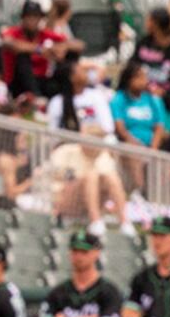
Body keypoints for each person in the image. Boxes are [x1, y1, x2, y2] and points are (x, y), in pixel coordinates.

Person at [45, 59, 128, 234]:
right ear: (71, 78)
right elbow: (52, 136)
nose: (85, 74)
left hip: (95, 154)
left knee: (110, 177)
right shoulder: (57, 104)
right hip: (68, 197)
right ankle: (96, 221)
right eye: (80, 71)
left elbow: (107, 128)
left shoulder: (95, 96)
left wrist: (93, 136)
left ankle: (125, 223)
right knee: (90, 176)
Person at [132, 6, 170, 112]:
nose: (146, 23)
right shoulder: (143, 43)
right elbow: (131, 68)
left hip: (165, 93)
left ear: (155, 24)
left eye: (148, 20)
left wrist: (166, 93)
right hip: (141, 88)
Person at [110, 57, 168, 150]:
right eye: (138, 77)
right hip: (128, 146)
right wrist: (139, 149)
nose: (143, 80)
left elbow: (159, 127)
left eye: (144, 77)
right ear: (128, 79)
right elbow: (121, 130)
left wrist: (152, 150)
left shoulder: (154, 99)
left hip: (151, 146)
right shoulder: (118, 99)